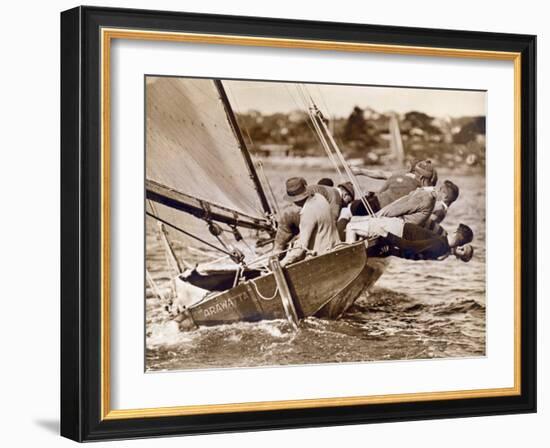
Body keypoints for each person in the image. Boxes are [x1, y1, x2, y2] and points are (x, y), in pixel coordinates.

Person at [346, 215, 474, 262]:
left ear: (456, 233)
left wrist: (387, 235)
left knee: (351, 226)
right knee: (358, 224)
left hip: (396, 230)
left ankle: (347, 259)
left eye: (463, 251)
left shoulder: (440, 246)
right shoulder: (442, 242)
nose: (460, 248)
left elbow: (411, 248)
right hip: (398, 229)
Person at [280, 177, 340, 267]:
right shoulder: (320, 198)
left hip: (322, 256)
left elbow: (300, 249)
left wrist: (282, 263)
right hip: (335, 246)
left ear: (295, 200)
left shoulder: (307, 213)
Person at [349, 159, 438, 216]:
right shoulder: (421, 188)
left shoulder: (400, 175)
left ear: (411, 168)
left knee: (352, 207)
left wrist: (360, 171)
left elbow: (381, 174)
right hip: (383, 210)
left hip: (376, 207)